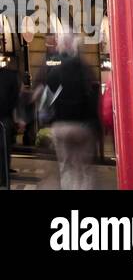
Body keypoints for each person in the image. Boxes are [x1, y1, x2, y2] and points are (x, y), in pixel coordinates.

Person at [42, 35, 100, 190]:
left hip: (61, 126)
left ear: (64, 47)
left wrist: (47, 120)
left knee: (67, 168)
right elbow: (95, 101)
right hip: (83, 127)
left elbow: (46, 102)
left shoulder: (55, 72)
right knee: (85, 169)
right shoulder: (87, 72)